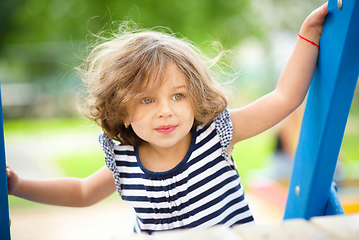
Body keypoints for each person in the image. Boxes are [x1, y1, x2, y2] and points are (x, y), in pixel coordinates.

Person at [6, 2, 328, 235]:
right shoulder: (125, 161)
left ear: (195, 97)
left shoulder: (216, 134)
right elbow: (81, 192)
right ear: (123, 112)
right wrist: (18, 185)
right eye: (147, 100)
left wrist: (308, 35)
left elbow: (283, 98)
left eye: (178, 95)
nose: (166, 110)